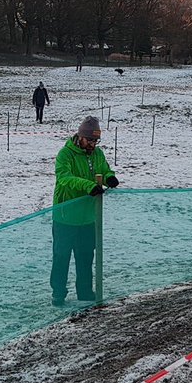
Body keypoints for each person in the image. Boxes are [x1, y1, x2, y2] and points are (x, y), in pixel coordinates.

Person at [50, 116, 118, 306]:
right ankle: (58, 293)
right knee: (61, 256)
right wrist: (88, 186)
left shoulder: (97, 154)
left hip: (88, 217)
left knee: (86, 257)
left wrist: (109, 178)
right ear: (80, 137)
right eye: (90, 140)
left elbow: (104, 171)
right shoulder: (65, 155)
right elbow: (65, 178)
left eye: (96, 141)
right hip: (66, 217)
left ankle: (85, 292)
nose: (93, 144)